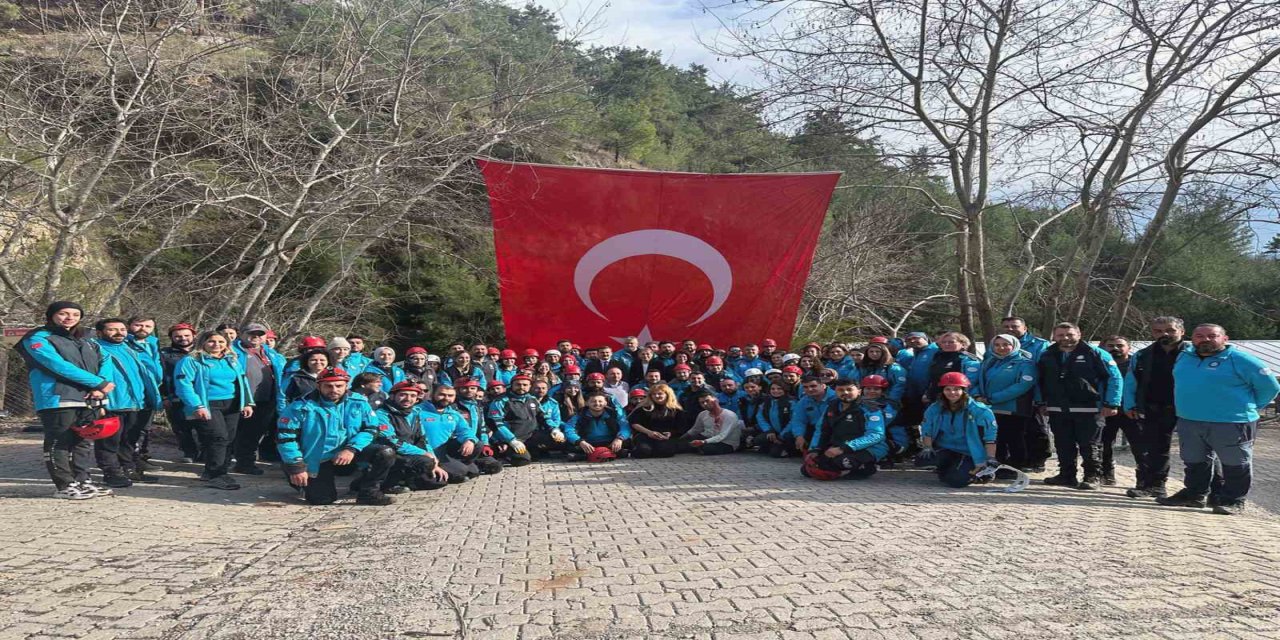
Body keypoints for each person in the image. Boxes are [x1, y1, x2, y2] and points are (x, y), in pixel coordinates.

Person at [1157, 324, 1280, 515]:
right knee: (1194, 461)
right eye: (1199, 336)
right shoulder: (1184, 357)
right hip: (1189, 420)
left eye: (1212, 336)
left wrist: (1251, 407)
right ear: (1193, 339)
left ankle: (1233, 501)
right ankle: (1195, 495)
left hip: (1232, 422)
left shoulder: (1242, 360)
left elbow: (1270, 387)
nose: (1205, 339)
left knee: (1235, 463)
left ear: (1225, 339)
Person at [17, 301, 117, 499]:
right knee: (60, 442)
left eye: (75, 314)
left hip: (89, 398)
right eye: (63, 313)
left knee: (83, 442)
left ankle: (83, 481)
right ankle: (65, 485)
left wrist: (101, 387)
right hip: (58, 398)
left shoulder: (87, 339)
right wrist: (96, 383)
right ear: (51, 315)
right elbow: (56, 366)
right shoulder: (38, 338)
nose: (70, 318)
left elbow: (106, 360)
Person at [276, 366, 395, 506]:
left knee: (385, 453)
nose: (334, 390)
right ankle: (296, 479)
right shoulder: (299, 407)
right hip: (316, 457)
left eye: (339, 386)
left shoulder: (359, 402)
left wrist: (351, 448)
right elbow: (286, 438)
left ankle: (368, 492)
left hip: (348, 454)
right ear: (319, 386)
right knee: (322, 499)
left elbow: (372, 428)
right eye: (328, 386)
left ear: (346, 385)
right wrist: (296, 466)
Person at [1035, 322, 1122, 491]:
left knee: (1090, 445)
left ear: (1079, 334)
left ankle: (1092, 476)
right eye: (1060, 335)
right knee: (1063, 444)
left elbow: (1115, 378)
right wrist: (1041, 401)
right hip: (1057, 408)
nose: (1065, 338)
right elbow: (1040, 380)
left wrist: (1112, 403)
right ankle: (1066, 476)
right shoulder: (1047, 355)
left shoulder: (1096, 353)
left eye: (1069, 334)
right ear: (1054, 337)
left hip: (1089, 408)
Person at [1121, 316, 1192, 498]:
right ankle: (1155, 486)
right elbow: (1131, 382)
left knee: (1199, 451)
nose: (1164, 334)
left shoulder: (1195, 354)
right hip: (1154, 409)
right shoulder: (1143, 355)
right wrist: (1130, 405)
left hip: (1190, 410)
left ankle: (1205, 491)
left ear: (1182, 332)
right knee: (1155, 450)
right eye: (1158, 331)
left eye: (1170, 330)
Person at [175, 330, 255, 490]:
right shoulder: (192, 360)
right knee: (217, 438)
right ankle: (215, 474)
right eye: (212, 341)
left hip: (232, 403)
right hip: (208, 403)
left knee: (229, 438)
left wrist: (247, 402)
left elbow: (242, 381)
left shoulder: (232, 359)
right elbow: (184, 385)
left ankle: (221, 471)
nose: (216, 345)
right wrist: (196, 406)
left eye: (221, 342)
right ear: (203, 342)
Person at [93, 318, 162, 487]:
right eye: (112, 329)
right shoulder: (94, 348)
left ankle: (129, 469)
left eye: (122, 329)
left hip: (135, 402)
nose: (119, 333)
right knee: (109, 441)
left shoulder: (129, 347)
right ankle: (111, 472)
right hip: (112, 402)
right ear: (100, 332)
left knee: (129, 439)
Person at [916, 372, 999, 488]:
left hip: (970, 452)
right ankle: (949, 469)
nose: (952, 393)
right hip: (946, 448)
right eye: (948, 389)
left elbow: (990, 437)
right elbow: (927, 429)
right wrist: (927, 448)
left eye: (956, 389)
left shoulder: (980, 411)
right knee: (922, 461)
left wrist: (990, 458)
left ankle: (982, 473)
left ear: (964, 390)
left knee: (956, 481)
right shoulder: (935, 408)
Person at [973, 334, 1038, 473]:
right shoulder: (989, 362)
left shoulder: (1025, 363)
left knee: (1014, 438)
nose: (1001, 348)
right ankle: (997, 464)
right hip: (990, 408)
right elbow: (978, 380)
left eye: (1005, 344)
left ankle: (1015, 467)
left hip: (1013, 408)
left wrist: (993, 398)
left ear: (1014, 345)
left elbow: (1022, 386)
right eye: (997, 345)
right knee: (996, 438)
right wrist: (977, 395)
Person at [372, 381, 450, 492]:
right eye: (403, 394)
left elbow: (422, 439)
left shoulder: (414, 413)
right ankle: (384, 483)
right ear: (393, 396)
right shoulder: (382, 414)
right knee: (425, 463)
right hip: (389, 455)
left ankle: (406, 479)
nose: (408, 399)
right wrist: (423, 454)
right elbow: (390, 441)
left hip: (410, 455)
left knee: (439, 480)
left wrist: (433, 457)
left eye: (413, 396)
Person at [802, 379, 888, 480]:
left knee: (843, 462)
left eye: (849, 389)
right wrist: (815, 449)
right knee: (807, 470)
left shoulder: (870, 408)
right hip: (839, 446)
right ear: (836, 392)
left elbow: (876, 435)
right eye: (841, 390)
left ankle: (867, 467)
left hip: (869, 448)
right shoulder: (831, 407)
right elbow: (821, 430)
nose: (845, 393)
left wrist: (843, 448)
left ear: (859, 391)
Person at [231, 323, 286, 473]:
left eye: (260, 334)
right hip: (241, 399)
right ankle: (237, 463)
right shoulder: (232, 351)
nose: (256, 337)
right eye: (251, 333)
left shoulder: (271, 353)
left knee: (255, 433)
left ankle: (245, 462)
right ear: (241, 334)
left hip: (268, 398)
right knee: (239, 432)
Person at [1099, 336, 1140, 486]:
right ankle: (1106, 475)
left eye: (1119, 345)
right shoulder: (1099, 363)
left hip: (1131, 411)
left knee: (1139, 446)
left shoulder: (1137, 364)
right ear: (1103, 348)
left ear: (1128, 348)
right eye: (1110, 345)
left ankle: (1144, 479)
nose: (1115, 348)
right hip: (1106, 410)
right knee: (1103, 444)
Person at [125, 316, 163, 470]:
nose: (143, 329)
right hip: (132, 392)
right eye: (138, 325)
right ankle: (128, 461)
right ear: (129, 326)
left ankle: (140, 457)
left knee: (144, 428)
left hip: (151, 390)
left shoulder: (152, 344)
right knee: (130, 429)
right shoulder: (124, 343)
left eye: (147, 326)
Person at [161, 323, 201, 463]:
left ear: (193, 335)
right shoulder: (164, 354)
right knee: (181, 427)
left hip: (201, 396)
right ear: (171, 337)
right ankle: (189, 452)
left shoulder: (203, 350)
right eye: (178, 336)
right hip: (175, 396)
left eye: (186, 335)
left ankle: (206, 452)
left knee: (204, 426)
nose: (182, 338)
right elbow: (159, 376)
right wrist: (164, 396)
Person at [486, 374, 545, 466]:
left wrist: (554, 429)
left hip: (530, 436)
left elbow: (543, 416)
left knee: (557, 440)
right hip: (511, 439)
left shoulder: (532, 399)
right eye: (518, 385)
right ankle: (505, 454)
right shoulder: (501, 401)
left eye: (525, 385)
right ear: (512, 385)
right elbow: (496, 423)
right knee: (522, 460)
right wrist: (511, 440)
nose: (521, 387)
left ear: (530, 386)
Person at [451, 377, 504, 475]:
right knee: (470, 472)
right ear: (457, 390)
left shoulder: (477, 406)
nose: (469, 391)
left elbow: (483, 428)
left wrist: (486, 445)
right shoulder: (452, 407)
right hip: (459, 445)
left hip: (476, 445)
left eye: (472, 388)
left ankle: (474, 462)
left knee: (495, 467)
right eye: (464, 388)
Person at [629, 383, 691, 458]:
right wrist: (649, 432)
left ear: (667, 395)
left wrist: (671, 433)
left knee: (665, 452)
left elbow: (681, 427)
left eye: (660, 394)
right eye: (654, 394)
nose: (657, 396)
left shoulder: (676, 411)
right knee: (643, 451)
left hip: (666, 437)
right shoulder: (644, 408)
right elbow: (634, 423)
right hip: (646, 435)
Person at [563, 393, 630, 461]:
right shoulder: (580, 415)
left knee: (627, 443)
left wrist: (619, 438)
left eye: (600, 401)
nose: (597, 404)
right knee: (569, 446)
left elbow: (625, 426)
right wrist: (580, 442)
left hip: (610, 442)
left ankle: (587, 456)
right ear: (586, 403)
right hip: (588, 443)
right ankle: (606, 454)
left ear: (605, 403)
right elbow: (569, 429)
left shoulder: (614, 414)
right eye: (593, 401)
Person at [780, 376, 835, 458]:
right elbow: (798, 420)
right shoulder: (804, 400)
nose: (809, 389)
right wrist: (799, 435)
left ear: (823, 386)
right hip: (813, 428)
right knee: (789, 436)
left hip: (832, 429)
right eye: (805, 387)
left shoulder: (835, 398)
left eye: (813, 386)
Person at [857, 338, 907, 405]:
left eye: (877, 351)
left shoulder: (894, 368)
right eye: (871, 351)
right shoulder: (864, 367)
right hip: (866, 400)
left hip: (887, 401)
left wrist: (891, 402)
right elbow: (857, 382)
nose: (874, 354)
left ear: (884, 353)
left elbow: (899, 386)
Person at [757, 381, 795, 456]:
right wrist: (769, 430)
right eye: (773, 389)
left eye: (779, 389)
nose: (775, 391)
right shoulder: (766, 402)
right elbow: (760, 417)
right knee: (759, 440)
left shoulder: (792, 402)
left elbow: (793, 420)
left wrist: (782, 435)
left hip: (787, 433)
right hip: (773, 432)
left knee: (775, 453)